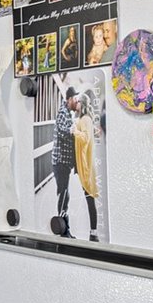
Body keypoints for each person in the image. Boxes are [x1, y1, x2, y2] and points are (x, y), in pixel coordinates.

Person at [49, 87, 79, 236]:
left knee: (65, 195)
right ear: (68, 100)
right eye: (75, 99)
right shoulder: (62, 113)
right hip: (60, 162)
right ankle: (62, 229)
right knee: (63, 195)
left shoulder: (67, 113)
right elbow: (63, 129)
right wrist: (75, 130)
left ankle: (65, 229)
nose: (77, 101)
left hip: (64, 162)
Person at [73, 94, 102, 241]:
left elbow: (85, 138)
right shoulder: (85, 119)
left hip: (85, 164)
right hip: (84, 162)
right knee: (88, 197)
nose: (75, 103)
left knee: (89, 197)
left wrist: (74, 131)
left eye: (77, 101)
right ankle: (93, 231)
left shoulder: (85, 119)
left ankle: (93, 231)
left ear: (82, 104)